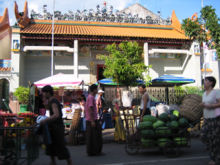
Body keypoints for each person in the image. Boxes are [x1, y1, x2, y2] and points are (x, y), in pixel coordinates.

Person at [40, 85, 72, 165]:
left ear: (47, 93)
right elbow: (48, 109)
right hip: (54, 127)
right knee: (51, 146)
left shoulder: (53, 101)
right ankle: (53, 162)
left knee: (60, 146)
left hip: (57, 127)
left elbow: (56, 114)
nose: (43, 94)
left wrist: (45, 120)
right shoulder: (51, 100)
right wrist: (45, 101)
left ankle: (69, 163)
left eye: (44, 93)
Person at [201, 76, 220, 165]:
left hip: (215, 119)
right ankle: (215, 155)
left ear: (211, 83)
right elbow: (205, 104)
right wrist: (203, 105)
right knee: (204, 136)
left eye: (206, 81)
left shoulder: (216, 92)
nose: (204, 83)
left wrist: (211, 106)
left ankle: (214, 158)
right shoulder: (204, 93)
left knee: (215, 139)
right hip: (207, 119)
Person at [85, 84, 103, 156]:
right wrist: (92, 120)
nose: (97, 90)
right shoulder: (91, 97)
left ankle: (93, 151)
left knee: (92, 136)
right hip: (91, 120)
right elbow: (90, 108)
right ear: (94, 90)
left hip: (91, 119)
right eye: (96, 89)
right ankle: (94, 151)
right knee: (95, 136)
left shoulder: (91, 97)